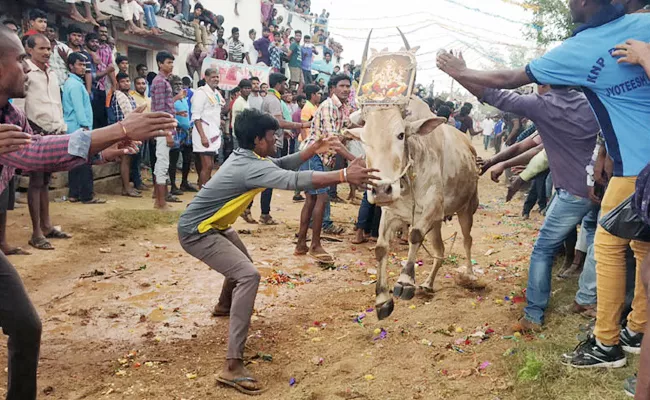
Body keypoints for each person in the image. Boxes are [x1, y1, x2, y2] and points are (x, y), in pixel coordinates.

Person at [437, 0, 650, 369]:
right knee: (640, 249)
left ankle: (601, 340)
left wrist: (461, 72)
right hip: (616, 176)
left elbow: (504, 86)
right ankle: (635, 328)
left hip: (618, 176)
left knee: (593, 248)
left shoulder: (571, 63)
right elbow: (528, 147)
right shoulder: (640, 27)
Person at [0, 26, 177, 400]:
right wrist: (120, 127)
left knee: (26, 325)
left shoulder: (11, 115)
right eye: (19, 59)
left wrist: (105, 150)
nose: (28, 68)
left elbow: (39, 147)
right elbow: (32, 156)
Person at [177, 108, 378, 396]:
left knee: (241, 265)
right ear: (258, 140)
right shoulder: (250, 166)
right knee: (248, 275)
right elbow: (294, 180)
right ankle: (232, 367)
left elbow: (281, 164)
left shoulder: (249, 156)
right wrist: (344, 174)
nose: (276, 141)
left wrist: (313, 149)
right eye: (273, 137)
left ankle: (224, 306)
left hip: (214, 225)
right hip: (198, 231)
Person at [295, 74, 357, 261]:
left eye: (348, 86)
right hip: (315, 155)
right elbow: (333, 140)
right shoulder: (330, 106)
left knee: (312, 200)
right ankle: (315, 244)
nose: (346, 89)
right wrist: (353, 159)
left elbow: (348, 128)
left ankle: (301, 244)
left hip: (319, 157)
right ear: (332, 88)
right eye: (342, 86)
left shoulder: (342, 108)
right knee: (320, 198)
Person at [24, 34, 72, 250]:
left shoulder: (52, 73)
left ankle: (46, 226)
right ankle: (36, 232)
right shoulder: (25, 72)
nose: (46, 52)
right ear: (29, 49)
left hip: (53, 131)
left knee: (44, 182)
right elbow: (19, 104)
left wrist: (60, 127)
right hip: (33, 132)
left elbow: (56, 104)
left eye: (48, 48)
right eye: (41, 48)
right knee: (35, 183)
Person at [257, 73, 311, 225]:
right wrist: (301, 125)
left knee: (264, 178)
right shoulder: (273, 100)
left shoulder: (269, 98)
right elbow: (279, 122)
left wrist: (285, 131)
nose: (286, 88)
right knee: (269, 178)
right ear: (278, 84)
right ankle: (265, 213)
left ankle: (255, 210)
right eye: (284, 84)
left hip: (270, 140)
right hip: (270, 143)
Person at [63, 52, 106, 204]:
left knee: (75, 162)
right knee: (84, 163)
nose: (83, 68)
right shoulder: (74, 85)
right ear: (71, 66)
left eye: (84, 65)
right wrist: (86, 127)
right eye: (80, 65)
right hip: (79, 127)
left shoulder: (73, 83)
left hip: (75, 127)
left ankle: (74, 194)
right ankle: (87, 195)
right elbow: (79, 109)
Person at [151, 51, 182, 209]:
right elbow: (162, 110)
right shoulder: (161, 82)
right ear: (160, 64)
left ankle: (159, 200)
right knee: (163, 162)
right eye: (168, 62)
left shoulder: (162, 81)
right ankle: (161, 202)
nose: (171, 65)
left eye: (172, 62)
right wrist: (168, 131)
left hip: (163, 127)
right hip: (163, 128)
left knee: (161, 162)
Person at [111, 72, 142, 198]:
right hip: (124, 132)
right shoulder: (118, 96)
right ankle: (126, 188)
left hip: (132, 131)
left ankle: (127, 186)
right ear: (118, 83)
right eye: (123, 81)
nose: (126, 83)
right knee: (125, 159)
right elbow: (121, 117)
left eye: (128, 81)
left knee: (129, 159)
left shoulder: (129, 97)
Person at [191, 68, 224, 188]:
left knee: (210, 165)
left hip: (214, 133)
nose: (215, 79)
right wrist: (203, 136)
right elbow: (196, 117)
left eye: (217, 77)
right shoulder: (201, 93)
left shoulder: (216, 93)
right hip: (203, 134)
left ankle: (204, 191)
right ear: (206, 78)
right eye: (213, 77)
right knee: (207, 165)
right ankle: (202, 195)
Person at [168, 75, 197, 195]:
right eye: (176, 84)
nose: (179, 86)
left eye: (180, 84)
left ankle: (184, 182)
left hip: (186, 131)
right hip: (176, 130)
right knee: (173, 159)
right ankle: (173, 185)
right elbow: (167, 110)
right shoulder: (170, 98)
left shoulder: (184, 98)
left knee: (187, 157)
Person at [129, 76, 151, 191]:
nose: (141, 86)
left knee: (141, 158)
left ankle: (139, 181)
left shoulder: (148, 99)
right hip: (136, 131)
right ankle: (136, 182)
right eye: (139, 84)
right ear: (135, 85)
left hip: (147, 132)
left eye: (143, 83)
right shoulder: (132, 97)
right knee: (136, 157)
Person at [231, 79, 251, 149]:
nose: (247, 90)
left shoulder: (247, 101)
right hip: (239, 135)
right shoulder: (238, 102)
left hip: (245, 134)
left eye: (249, 88)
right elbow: (237, 120)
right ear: (240, 89)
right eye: (245, 88)